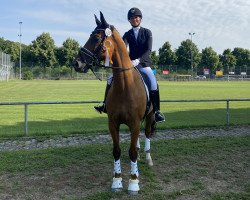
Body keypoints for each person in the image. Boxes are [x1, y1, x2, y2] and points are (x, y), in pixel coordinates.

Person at [94, 7, 165, 123]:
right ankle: (104, 105)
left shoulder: (147, 32)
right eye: (132, 18)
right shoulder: (127, 34)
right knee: (110, 79)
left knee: (153, 82)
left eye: (136, 17)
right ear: (129, 20)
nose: (134, 19)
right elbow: (122, 48)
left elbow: (148, 50)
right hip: (129, 65)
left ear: (140, 19)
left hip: (143, 64)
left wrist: (138, 60)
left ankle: (156, 111)